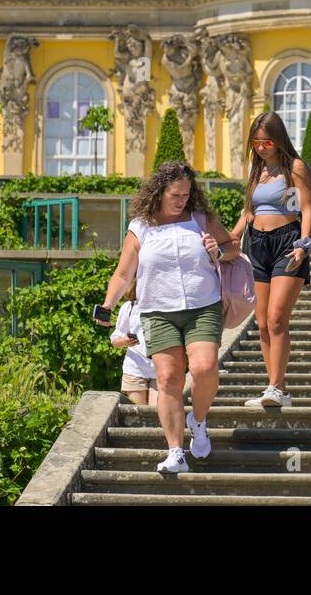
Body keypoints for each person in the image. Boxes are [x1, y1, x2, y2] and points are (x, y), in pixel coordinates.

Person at [96, 161, 233, 474]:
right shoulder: (140, 226)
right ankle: (176, 452)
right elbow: (123, 273)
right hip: (158, 310)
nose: (182, 199)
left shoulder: (200, 218)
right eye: (175, 194)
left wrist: (219, 250)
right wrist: (107, 304)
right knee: (169, 378)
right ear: (158, 192)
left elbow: (232, 246)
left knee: (205, 367)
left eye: (186, 193)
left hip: (202, 305)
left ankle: (197, 420)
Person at [229, 112, 311, 408]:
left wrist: (304, 245)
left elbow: (305, 208)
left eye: (266, 141)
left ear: (278, 139)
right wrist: (231, 236)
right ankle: (275, 387)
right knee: (263, 323)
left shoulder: (295, 167)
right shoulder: (257, 171)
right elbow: (248, 213)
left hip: (287, 244)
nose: (261, 147)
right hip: (257, 245)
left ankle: (277, 387)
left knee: (278, 318)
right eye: (256, 142)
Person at [111, 284, 157, 406]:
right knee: (138, 413)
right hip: (135, 368)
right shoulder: (129, 307)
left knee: (158, 412)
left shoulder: (165, 307)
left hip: (160, 367)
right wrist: (125, 341)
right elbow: (115, 339)